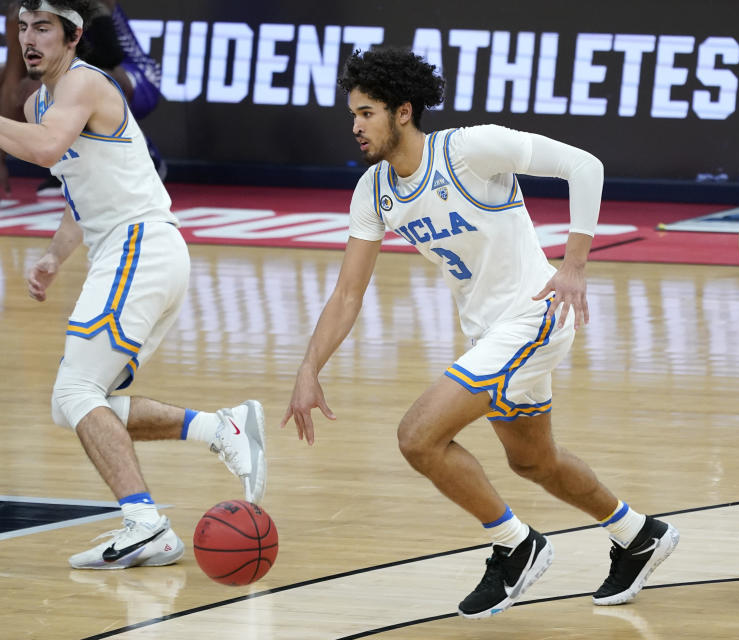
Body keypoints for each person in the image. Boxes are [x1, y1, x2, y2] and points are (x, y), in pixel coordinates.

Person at [281, 47, 679, 619]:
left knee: (418, 436)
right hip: (489, 334)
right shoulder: (373, 191)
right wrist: (308, 368)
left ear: (403, 111)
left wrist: (574, 265)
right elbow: (348, 293)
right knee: (533, 462)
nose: (355, 127)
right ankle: (639, 535)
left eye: (366, 113)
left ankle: (515, 545)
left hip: (533, 317)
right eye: (352, 115)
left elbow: (585, 165)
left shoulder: (469, 148)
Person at [11, 0, 266, 569]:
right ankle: (220, 427)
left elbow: (46, 148)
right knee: (75, 403)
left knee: (75, 394)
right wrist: (54, 255)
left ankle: (144, 523)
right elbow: (78, 186)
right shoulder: (39, 102)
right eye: (23, 27)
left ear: (72, 37)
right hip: (131, 253)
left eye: (43, 28)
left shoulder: (81, 83)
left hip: (139, 248)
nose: (30, 38)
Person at [0, 0, 165, 196]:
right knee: (29, 86)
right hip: (78, 68)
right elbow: (13, 75)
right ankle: (70, 165)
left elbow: (110, 55)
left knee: (62, 83)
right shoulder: (19, 10)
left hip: (135, 72)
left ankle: (142, 151)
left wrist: (52, 75)